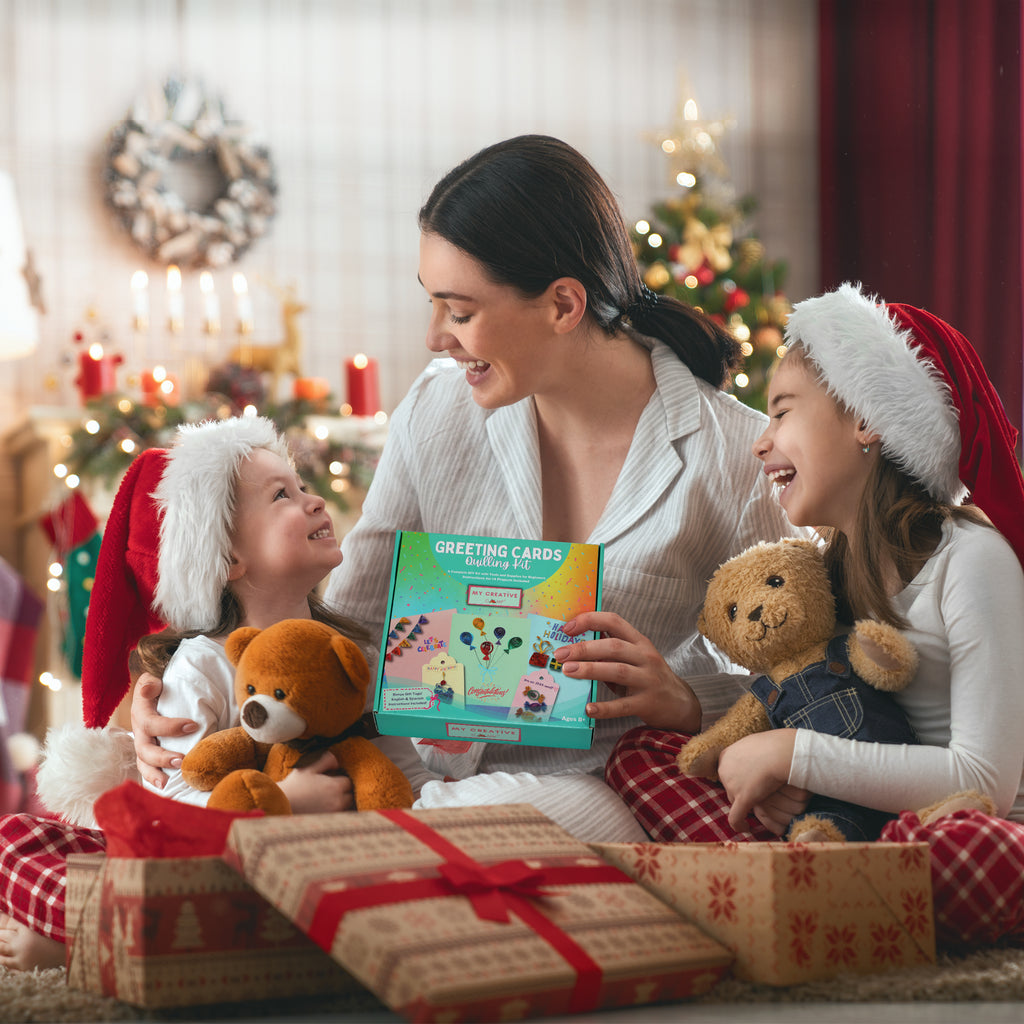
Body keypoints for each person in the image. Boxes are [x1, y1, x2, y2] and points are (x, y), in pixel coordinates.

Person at [131, 134, 804, 843]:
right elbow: (346, 622)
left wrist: (688, 700)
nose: (434, 338)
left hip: (597, 789)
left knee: (447, 830)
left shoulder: (732, 450)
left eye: (458, 311)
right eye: (432, 305)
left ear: (563, 305)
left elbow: (816, 674)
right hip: (414, 774)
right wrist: (182, 710)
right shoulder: (439, 408)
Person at [606, 282, 1024, 947]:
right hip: (852, 817)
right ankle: (816, 885)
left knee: (984, 852)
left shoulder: (972, 558)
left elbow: (983, 785)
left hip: (948, 828)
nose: (760, 442)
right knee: (646, 754)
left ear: (866, 419)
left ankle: (803, 894)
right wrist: (774, 775)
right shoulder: (827, 572)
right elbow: (800, 699)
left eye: (781, 412)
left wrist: (792, 754)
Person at [0, 415, 366, 971]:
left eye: (304, 488)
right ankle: (96, 932)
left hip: (320, 866)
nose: (313, 501)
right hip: (216, 866)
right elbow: (177, 805)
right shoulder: (202, 665)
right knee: (16, 844)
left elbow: (393, 767)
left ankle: (101, 938)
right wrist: (283, 804)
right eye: (282, 496)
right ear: (229, 560)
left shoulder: (345, 650)